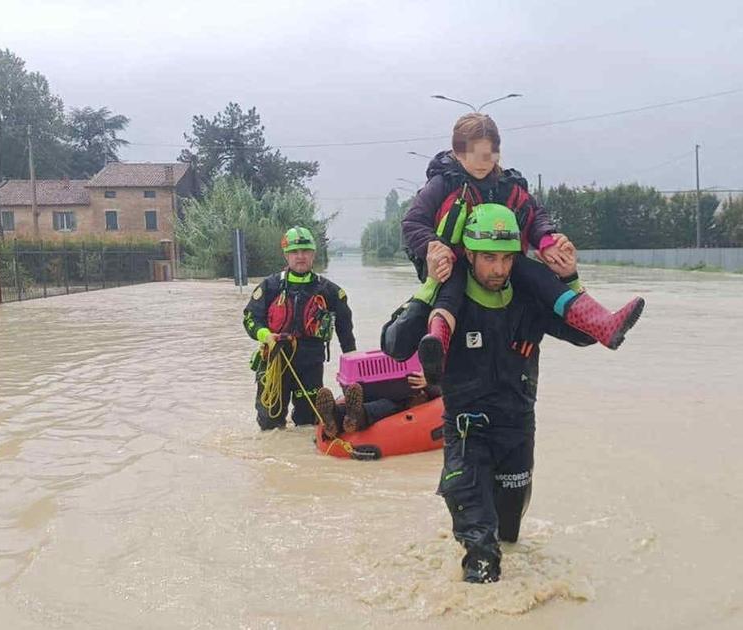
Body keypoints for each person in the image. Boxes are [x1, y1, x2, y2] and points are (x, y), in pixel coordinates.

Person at [384, 204, 640, 583]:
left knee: (510, 535)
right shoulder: (448, 299)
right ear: (468, 254)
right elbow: (394, 343)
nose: (499, 269)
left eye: (506, 258)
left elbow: (586, 336)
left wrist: (571, 278)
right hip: (467, 433)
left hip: (517, 431)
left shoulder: (528, 298)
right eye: (489, 258)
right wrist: (429, 287)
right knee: (482, 551)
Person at [401, 113, 644, 384]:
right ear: (458, 152)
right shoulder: (442, 183)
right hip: (452, 263)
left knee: (539, 276)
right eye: (475, 155)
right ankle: (437, 345)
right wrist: (432, 247)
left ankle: (603, 323)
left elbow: (535, 214)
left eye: (490, 154)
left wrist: (548, 241)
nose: (484, 163)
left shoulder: (508, 184)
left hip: (503, 262)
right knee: (452, 290)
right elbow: (413, 223)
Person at [243, 226, 356, 431]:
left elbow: (346, 333)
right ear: (286, 255)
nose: (300, 256)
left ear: (313, 254)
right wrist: (266, 335)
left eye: (305, 251)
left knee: (307, 423)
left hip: (310, 364)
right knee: (270, 423)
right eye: (295, 252)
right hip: (275, 360)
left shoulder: (331, 291)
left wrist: (354, 370)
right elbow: (250, 319)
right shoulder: (269, 287)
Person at [313, 371, 441, 438]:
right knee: (384, 402)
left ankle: (343, 417)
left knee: (387, 405)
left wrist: (429, 381)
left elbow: (446, 392)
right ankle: (335, 416)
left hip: (410, 398)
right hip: (392, 388)